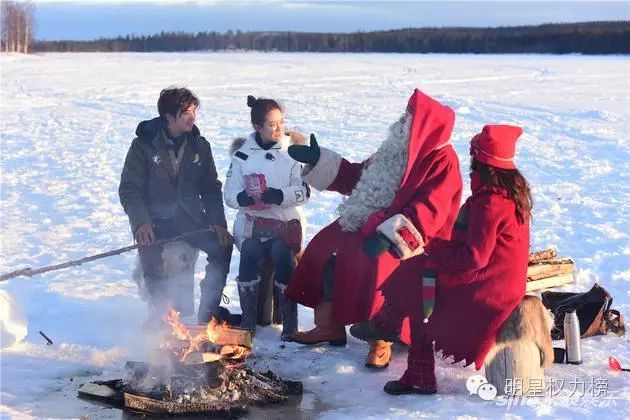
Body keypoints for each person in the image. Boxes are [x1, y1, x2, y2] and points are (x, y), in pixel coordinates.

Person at [285, 89, 463, 354]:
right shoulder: (394, 150)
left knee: (375, 263)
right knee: (323, 247)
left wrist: (391, 236)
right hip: (369, 221)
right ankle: (328, 324)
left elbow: (431, 210)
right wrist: (320, 161)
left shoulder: (442, 161)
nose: (402, 121)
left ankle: (381, 339)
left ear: (424, 127)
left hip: (411, 239)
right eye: (405, 114)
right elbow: (360, 178)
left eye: (409, 117)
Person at [374, 125, 532, 395]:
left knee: (418, 285)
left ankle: (415, 368)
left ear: (480, 162)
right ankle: (387, 327)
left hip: (489, 291)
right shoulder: (510, 194)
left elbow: (473, 258)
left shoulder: (491, 202)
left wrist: (430, 247)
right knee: (418, 272)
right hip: (502, 281)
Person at [119, 87, 233, 327]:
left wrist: (218, 223)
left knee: (222, 246)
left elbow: (211, 188)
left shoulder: (200, 146)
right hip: (154, 221)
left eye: (194, 111)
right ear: (169, 117)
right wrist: (141, 221)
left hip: (190, 219)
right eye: (186, 113)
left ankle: (207, 314)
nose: (192, 117)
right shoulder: (143, 146)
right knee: (151, 255)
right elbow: (130, 188)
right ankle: (161, 317)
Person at [224, 95, 309, 341]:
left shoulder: (292, 153)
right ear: (257, 127)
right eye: (272, 125)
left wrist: (279, 195)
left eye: (281, 122)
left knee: (283, 254)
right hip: (253, 225)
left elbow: (304, 191)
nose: (280, 129)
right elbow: (229, 194)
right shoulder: (242, 156)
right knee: (249, 251)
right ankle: (249, 321)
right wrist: (243, 199)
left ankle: (289, 324)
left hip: (285, 224)